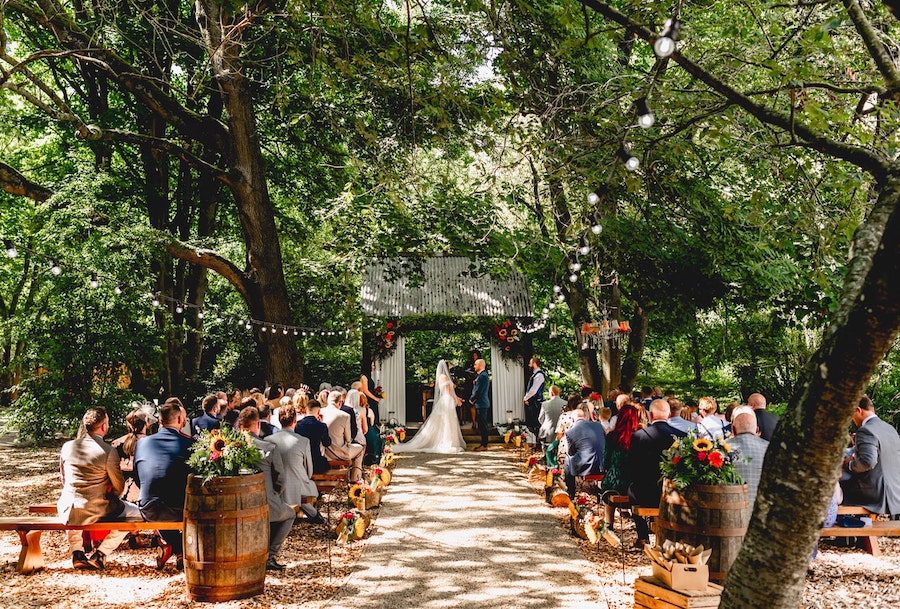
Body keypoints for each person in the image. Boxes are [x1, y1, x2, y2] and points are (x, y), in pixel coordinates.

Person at [57, 407, 141, 570]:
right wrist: (111, 496)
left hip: (68, 506)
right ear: (103, 427)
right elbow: (119, 486)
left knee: (76, 511)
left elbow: (64, 478)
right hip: (97, 508)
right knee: (137, 514)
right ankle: (101, 553)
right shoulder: (108, 451)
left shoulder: (67, 447)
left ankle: (77, 552)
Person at [133, 398, 195, 570]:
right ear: (180, 420)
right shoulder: (190, 444)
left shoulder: (142, 444)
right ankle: (181, 549)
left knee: (160, 503)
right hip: (179, 508)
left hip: (148, 507)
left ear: (160, 421)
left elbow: (139, 477)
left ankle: (176, 549)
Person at [237, 407, 297, 571]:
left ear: (241, 426)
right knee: (290, 514)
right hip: (265, 502)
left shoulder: (231, 448)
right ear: (257, 424)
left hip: (236, 505)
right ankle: (269, 555)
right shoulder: (268, 448)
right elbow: (280, 479)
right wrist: (275, 494)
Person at [628, 399, 687, 548]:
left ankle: (642, 536)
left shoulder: (638, 436)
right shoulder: (682, 436)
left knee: (631, 490)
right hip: (672, 494)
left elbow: (633, 467)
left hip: (645, 493)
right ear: (668, 415)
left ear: (651, 414)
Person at [840, 395, 900, 516]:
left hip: (875, 494)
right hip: (894, 492)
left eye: (851, 415)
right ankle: (849, 534)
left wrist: (848, 464)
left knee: (834, 487)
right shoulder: (889, 429)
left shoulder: (866, 430)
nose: (852, 420)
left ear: (858, 410)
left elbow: (868, 462)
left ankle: (844, 530)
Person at [268, 403, 324, 524]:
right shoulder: (303, 441)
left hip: (275, 487)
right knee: (305, 485)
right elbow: (309, 471)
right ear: (295, 420)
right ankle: (312, 513)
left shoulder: (268, 441)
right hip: (297, 485)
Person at [395, 360, 466, 454]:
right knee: (447, 421)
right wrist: (456, 399)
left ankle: (448, 441)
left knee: (446, 421)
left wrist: (456, 398)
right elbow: (449, 391)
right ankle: (447, 442)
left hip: (445, 399)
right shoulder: (444, 377)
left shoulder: (441, 377)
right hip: (447, 399)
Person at [600, 404, 641, 525]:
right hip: (635, 483)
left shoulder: (612, 436)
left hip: (615, 483)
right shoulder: (640, 436)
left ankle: (609, 523)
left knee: (608, 484)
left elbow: (606, 461)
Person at [727, 406, 769, 507]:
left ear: (733, 429)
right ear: (757, 429)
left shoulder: (719, 449)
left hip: (729, 513)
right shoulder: (771, 449)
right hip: (762, 512)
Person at [563, 409, 606, 499]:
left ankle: (571, 491)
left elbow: (571, 452)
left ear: (573, 420)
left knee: (567, 460)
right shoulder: (598, 425)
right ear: (584, 417)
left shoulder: (570, 432)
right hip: (603, 464)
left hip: (587, 466)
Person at [321, 390, 364, 478]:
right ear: (340, 402)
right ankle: (355, 478)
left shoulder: (320, 412)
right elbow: (348, 439)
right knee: (360, 448)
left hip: (324, 452)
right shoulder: (344, 415)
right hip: (340, 452)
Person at [295, 399, 332, 474]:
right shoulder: (321, 425)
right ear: (319, 412)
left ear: (306, 410)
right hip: (315, 462)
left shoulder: (298, 424)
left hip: (301, 461)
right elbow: (327, 443)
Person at [470, 358, 491, 451]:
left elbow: (479, 390)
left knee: (483, 425)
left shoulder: (482, 376)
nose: (474, 366)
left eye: (475, 364)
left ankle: (484, 445)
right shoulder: (482, 375)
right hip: (481, 403)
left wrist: (472, 399)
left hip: (482, 402)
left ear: (481, 365)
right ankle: (483, 444)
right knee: (482, 424)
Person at [538, 385, 565, 451]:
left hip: (547, 432)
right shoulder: (565, 403)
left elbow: (540, 418)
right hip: (561, 433)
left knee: (547, 453)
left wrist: (545, 424)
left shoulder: (545, 404)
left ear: (552, 393)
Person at [523, 357, 546, 433]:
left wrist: (526, 398)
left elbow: (534, 389)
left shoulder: (539, 375)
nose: (529, 365)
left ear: (535, 364)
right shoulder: (535, 375)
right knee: (533, 421)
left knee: (536, 422)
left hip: (536, 402)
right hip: (533, 401)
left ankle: (538, 441)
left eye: (530, 363)